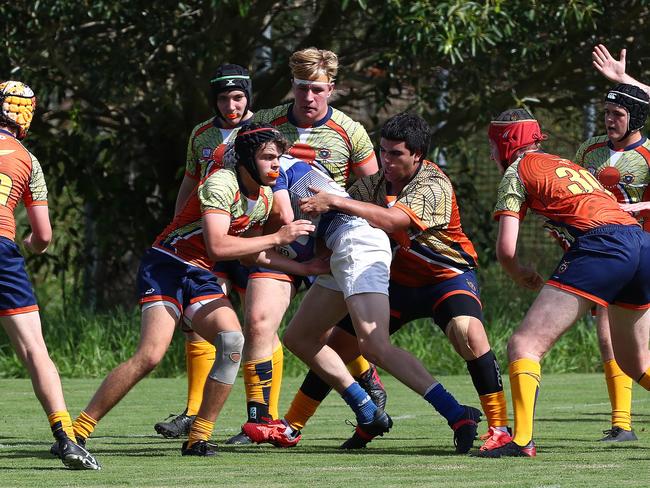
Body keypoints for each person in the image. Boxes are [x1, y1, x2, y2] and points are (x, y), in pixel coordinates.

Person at [64, 124, 323, 458]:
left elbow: (247, 252)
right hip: (167, 266)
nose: (276, 165)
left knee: (232, 342)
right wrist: (278, 237)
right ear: (245, 158)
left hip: (199, 275)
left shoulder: (264, 197)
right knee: (151, 355)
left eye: (279, 157)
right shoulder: (221, 183)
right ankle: (78, 431)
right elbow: (217, 245)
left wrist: (305, 269)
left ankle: (198, 437)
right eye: (268, 157)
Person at [249, 113, 503, 452]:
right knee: (312, 339)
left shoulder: (433, 185)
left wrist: (326, 208)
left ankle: (486, 423)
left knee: (463, 334)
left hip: (443, 275)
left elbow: (388, 219)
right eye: (382, 151)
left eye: (395, 153)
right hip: (395, 276)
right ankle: (330, 418)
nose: (385, 160)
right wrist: (313, 259)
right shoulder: (372, 182)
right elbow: (333, 219)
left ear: (417, 154)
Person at [226, 47, 384, 444]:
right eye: (300, 88)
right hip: (277, 240)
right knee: (259, 322)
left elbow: (375, 196)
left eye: (316, 89)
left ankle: (366, 384)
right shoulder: (264, 122)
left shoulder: (351, 131)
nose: (307, 97)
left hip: (332, 244)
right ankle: (261, 420)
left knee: (328, 335)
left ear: (331, 88)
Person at [476, 108, 650, 458]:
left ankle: (522, 441)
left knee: (524, 344)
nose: (493, 154)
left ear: (508, 143)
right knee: (638, 364)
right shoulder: (566, 164)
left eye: (494, 146)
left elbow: (506, 250)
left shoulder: (516, 171)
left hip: (604, 245)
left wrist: (518, 272)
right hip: (642, 244)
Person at [0, 80, 100, 470]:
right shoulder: (28, 159)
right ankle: (66, 438)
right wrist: (29, 242)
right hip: (4, 249)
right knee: (34, 349)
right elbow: (43, 236)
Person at [154, 63, 255, 439]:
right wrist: (179, 223)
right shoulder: (202, 133)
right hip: (208, 239)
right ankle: (193, 411)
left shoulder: (261, 129)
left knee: (258, 324)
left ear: (248, 97)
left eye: (238, 96)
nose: (231, 104)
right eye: (224, 98)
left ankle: (261, 416)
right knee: (200, 320)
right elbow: (190, 180)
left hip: (248, 234)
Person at [570, 45, 650, 442]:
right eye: (606, 113)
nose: (609, 119)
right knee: (609, 335)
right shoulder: (589, 151)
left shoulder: (649, 155)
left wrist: (637, 210)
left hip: (644, 251)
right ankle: (622, 424)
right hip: (608, 254)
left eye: (617, 113)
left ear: (635, 116)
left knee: (636, 347)